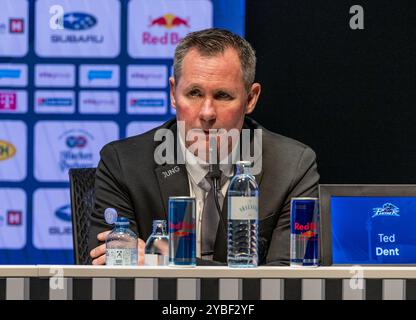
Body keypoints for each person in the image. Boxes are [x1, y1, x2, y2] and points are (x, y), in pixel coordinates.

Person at [88, 28, 319, 266]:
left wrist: (162, 261)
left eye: (223, 96)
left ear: (251, 98)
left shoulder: (292, 166)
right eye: (194, 93)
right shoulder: (123, 163)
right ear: (173, 93)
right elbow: (109, 271)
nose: (207, 113)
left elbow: (288, 280)